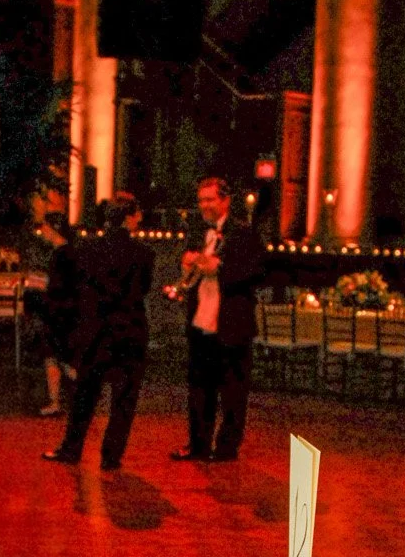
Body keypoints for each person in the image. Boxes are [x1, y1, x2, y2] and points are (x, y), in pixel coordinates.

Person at [44, 193, 152, 472]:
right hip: (129, 331)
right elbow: (143, 289)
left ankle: (71, 448)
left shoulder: (88, 249)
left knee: (84, 394)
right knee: (124, 399)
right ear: (129, 217)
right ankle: (111, 455)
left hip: (96, 331)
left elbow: (80, 288)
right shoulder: (143, 254)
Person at [173, 176, 264, 465]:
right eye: (201, 200)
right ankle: (198, 444)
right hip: (201, 320)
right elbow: (192, 274)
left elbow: (256, 273)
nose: (204, 206)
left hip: (231, 323)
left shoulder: (244, 233)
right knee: (200, 386)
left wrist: (221, 268)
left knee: (233, 390)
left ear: (225, 200)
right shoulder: (198, 232)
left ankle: (226, 448)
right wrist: (187, 265)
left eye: (210, 199)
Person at [35, 213, 80, 417]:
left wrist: (39, 284)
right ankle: (55, 400)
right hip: (62, 311)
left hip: (59, 312)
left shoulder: (62, 254)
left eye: (44, 227)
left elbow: (57, 285)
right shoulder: (66, 252)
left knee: (59, 356)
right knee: (53, 355)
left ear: (53, 229)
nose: (41, 232)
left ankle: (73, 394)